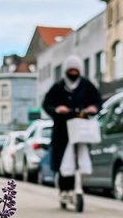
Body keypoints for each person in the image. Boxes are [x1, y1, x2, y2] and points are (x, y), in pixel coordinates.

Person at [43, 54, 102, 208]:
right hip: (62, 129)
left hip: (81, 129)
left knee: (80, 157)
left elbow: (97, 101)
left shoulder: (87, 86)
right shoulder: (58, 86)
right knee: (62, 159)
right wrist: (57, 109)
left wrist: (93, 108)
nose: (73, 73)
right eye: (71, 70)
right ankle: (64, 189)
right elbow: (47, 104)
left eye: (76, 70)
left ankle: (78, 187)